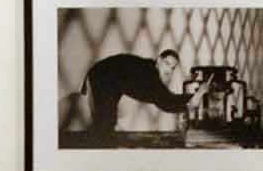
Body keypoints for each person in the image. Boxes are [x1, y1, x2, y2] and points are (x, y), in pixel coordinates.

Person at [78, 49, 214, 146]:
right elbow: (165, 102)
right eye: (167, 63)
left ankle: (100, 149)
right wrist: (195, 96)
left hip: (110, 78)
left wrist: (194, 97)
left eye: (173, 68)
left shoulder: (151, 71)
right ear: (159, 60)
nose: (168, 70)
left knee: (107, 122)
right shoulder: (150, 74)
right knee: (105, 122)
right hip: (102, 74)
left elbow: (165, 99)